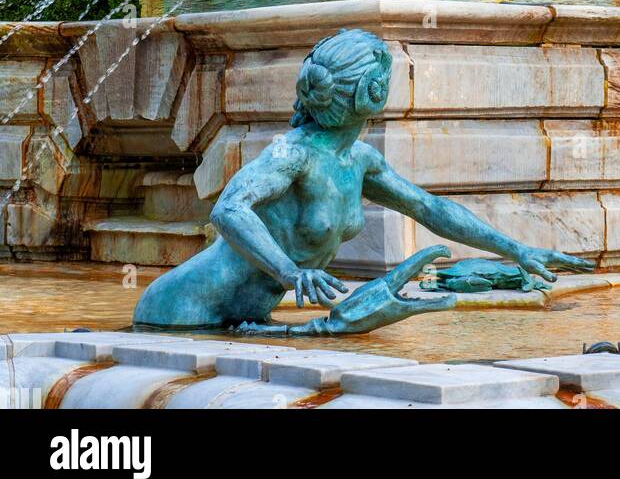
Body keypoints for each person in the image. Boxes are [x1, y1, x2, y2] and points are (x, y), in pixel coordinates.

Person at [132, 28, 590, 332]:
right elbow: (228, 209)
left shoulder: (360, 160)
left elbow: (430, 209)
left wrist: (517, 251)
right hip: (182, 311)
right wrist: (292, 272)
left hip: (242, 318)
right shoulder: (294, 153)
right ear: (373, 92)